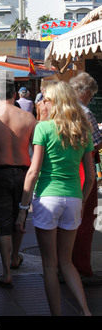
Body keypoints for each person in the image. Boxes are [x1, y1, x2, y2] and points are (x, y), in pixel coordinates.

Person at [16, 81, 95, 316]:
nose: (41, 102)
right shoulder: (83, 129)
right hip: (73, 198)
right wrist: (81, 201)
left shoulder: (44, 128)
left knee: (50, 265)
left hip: (47, 198)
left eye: (45, 99)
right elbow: (90, 177)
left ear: (56, 102)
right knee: (67, 262)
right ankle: (86, 311)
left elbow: (33, 171)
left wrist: (23, 207)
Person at [0, 80, 37, 288]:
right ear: (15, 94)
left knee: (3, 223)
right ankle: (15, 256)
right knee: (19, 218)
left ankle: (6, 271)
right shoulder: (29, 117)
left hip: (0, 174)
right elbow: (35, 149)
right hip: (24, 173)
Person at [69, 72, 102, 285]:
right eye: (91, 95)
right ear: (86, 93)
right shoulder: (86, 112)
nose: (90, 99)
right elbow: (96, 143)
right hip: (83, 168)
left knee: (66, 221)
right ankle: (81, 268)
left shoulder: (58, 109)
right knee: (84, 221)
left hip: (62, 170)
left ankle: (64, 266)